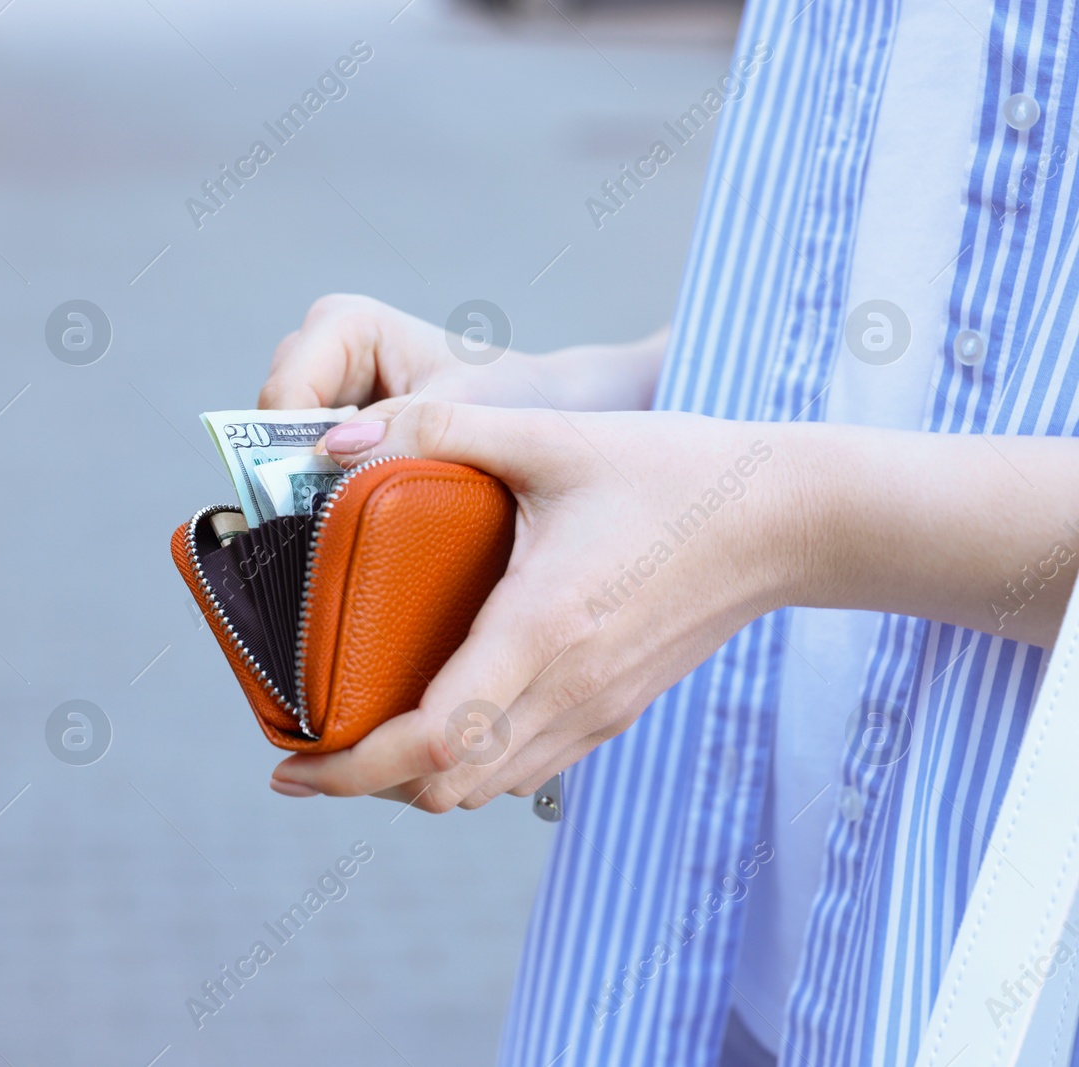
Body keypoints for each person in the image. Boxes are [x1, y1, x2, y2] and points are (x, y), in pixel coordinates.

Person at [256, 0, 1079, 1062]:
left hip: (990, 974)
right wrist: (544, 394)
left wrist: (775, 519)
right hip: (717, 953)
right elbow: (859, 316)